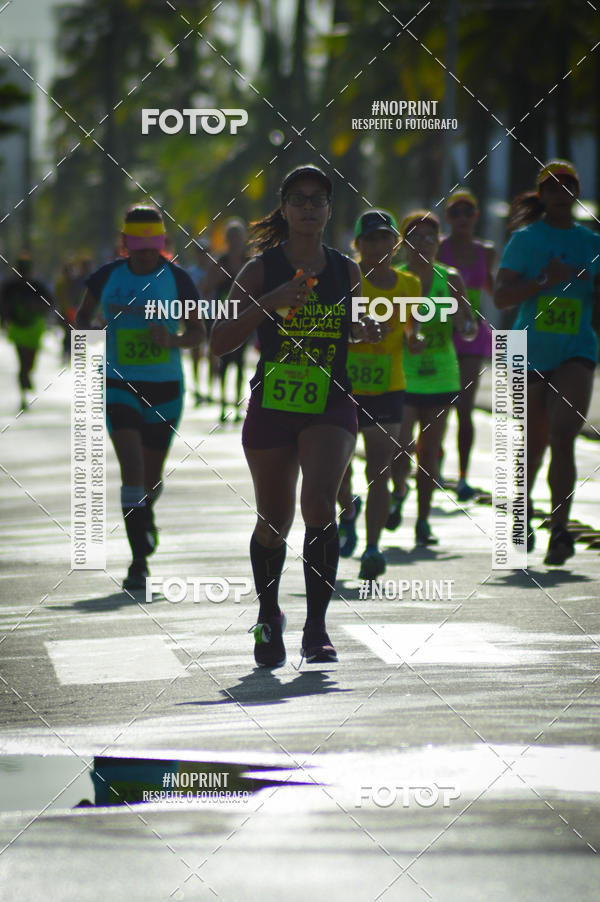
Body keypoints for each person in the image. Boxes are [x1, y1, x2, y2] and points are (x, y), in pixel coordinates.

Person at [210, 165, 383, 667]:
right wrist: (269, 302)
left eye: (318, 200)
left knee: (320, 505)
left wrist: (364, 328)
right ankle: (269, 615)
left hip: (329, 402)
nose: (308, 207)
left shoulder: (344, 269)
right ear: (284, 209)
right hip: (273, 406)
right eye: (298, 199)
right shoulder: (261, 269)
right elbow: (219, 343)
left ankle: (316, 628)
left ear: (330, 211)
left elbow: (353, 324)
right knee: (273, 520)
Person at [75, 205, 205, 589]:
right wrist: (94, 330)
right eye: (139, 247)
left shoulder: (178, 279)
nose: (147, 254)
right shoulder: (106, 277)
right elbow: (81, 319)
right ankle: (137, 563)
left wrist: (174, 340)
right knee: (131, 469)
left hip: (165, 387)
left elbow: (199, 332)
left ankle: (144, 512)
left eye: (154, 247)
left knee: (150, 478)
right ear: (125, 244)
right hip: (119, 383)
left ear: (163, 244)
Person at [494, 159, 600, 566]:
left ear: (576, 190)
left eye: (568, 184)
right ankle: (521, 512)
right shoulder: (525, 240)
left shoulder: (591, 242)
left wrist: (583, 279)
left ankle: (559, 530)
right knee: (534, 443)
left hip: (576, 348)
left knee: (563, 435)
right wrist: (544, 280)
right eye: (552, 186)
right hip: (529, 348)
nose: (561, 192)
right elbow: (502, 297)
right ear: (542, 194)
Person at [336, 209, 422, 579]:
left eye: (386, 238)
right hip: (345, 387)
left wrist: (414, 339)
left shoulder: (409, 285)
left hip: (389, 386)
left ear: (395, 243)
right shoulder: (346, 280)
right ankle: (347, 510)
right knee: (339, 468)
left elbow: (411, 329)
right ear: (358, 245)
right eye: (371, 239)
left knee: (379, 470)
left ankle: (372, 547)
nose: (379, 246)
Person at [388, 211, 477, 546]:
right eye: (415, 237)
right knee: (400, 445)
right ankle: (398, 492)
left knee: (429, 453)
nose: (423, 243)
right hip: (403, 377)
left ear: (438, 242)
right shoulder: (395, 279)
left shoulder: (450, 278)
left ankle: (423, 521)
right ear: (404, 244)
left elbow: (469, 325)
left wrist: (464, 325)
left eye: (429, 237)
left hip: (442, 377)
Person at [438, 189, 496, 500]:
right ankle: (433, 457)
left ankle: (462, 477)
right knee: (437, 407)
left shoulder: (486, 252)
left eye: (468, 212)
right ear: (448, 218)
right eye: (455, 213)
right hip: (440, 335)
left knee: (465, 408)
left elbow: (496, 291)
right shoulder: (438, 249)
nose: (462, 218)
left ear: (476, 217)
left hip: (473, 335)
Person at [202, 219, 250, 421]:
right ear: (227, 239)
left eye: (238, 237)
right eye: (231, 237)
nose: (235, 241)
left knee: (240, 363)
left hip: (245, 317)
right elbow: (205, 287)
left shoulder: (250, 261)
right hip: (223, 316)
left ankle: (238, 405)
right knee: (224, 361)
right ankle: (223, 402)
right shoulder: (220, 262)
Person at [0, 254, 54, 410]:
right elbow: (2, 305)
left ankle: (26, 376)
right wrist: (4, 320)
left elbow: (50, 303)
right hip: (17, 328)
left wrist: (38, 308)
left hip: (34, 328)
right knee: (22, 362)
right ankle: (23, 394)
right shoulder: (10, 286)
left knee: (30, 362)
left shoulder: (37, 285)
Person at [186, 238, 213, 406]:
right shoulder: (191, 272)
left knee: (212, 354)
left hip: (212, 316)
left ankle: (210, 389)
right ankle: (197, 388)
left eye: (206, 252)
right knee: (195, 354)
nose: (203, 255)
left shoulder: (215, 271)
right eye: (200, 252)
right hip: (196, 316)